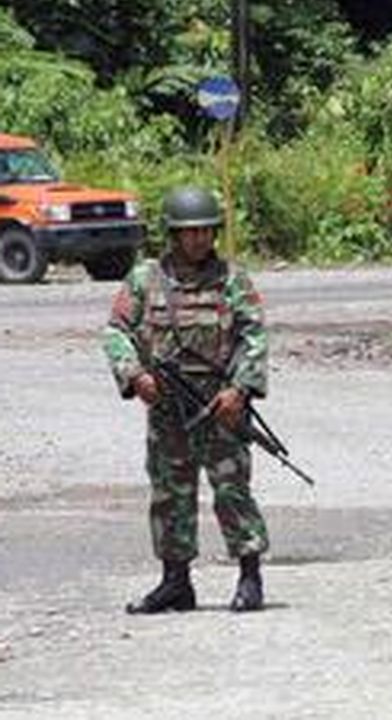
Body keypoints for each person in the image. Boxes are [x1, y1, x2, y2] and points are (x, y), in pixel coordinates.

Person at [103, 185, 270, 613]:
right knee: (169, 494)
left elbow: (254, 334)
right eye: (189, 233)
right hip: (167, 409)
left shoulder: (232, 279)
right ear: (173, 235)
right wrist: (135, 375)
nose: (198, 240)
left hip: (220, 407)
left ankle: (250, 577)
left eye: (205, 232)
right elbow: (116, 331)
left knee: (232, 490)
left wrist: (240, 388)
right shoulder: (145, 279)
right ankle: (175, 581)